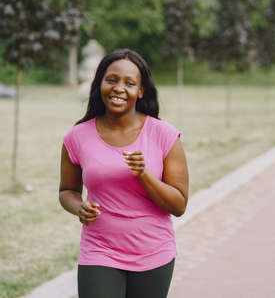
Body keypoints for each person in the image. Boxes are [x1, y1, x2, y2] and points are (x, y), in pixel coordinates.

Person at [59, 48, 188, 298]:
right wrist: (79, 207)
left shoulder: (164, 135)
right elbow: (67, 191)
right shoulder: (77, 137)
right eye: (111, 80)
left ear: (140, 91)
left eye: (129, 83)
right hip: (99, 250)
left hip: (153, 252)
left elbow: (179, 204)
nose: (119, 88)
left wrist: (144, 175)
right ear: (99, 84)